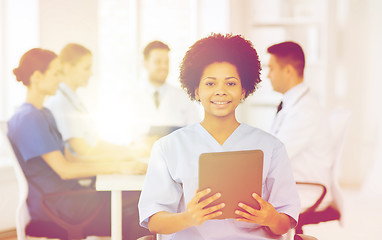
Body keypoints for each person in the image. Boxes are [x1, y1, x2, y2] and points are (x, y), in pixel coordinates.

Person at [138, 34, 300, 239]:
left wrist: (270, 218)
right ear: (196, 91)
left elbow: (284, 223)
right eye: (210, 84)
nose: (221, 91)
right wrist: (189, 217)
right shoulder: (168, 147)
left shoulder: (272, 147)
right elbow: (154, 221)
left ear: (244, 90)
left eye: (231, 84)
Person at [7, 48, 151, 240]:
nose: (60, 79)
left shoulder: (42, 113)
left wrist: (122, 166)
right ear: (36, 77)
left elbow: (71, 159)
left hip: (69, 198)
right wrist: (118, 166)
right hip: (60, 206)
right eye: (56, 73)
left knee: (140, 200)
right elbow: (64, 170)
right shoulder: (29, 118)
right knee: (142, 207)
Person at [45, 43, 149, 159]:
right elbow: (81, 148)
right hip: (82, 168)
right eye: (86, 68)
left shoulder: (72, 99)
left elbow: (94, 142)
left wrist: (128, 149)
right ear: (68, 68)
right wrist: (125, 155)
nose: (91, 73)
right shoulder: (61, 101)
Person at [267, 41, 333, 210]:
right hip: (291, 185)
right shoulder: (292, 104)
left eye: (271, 68)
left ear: (288, 71)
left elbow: (276, 157)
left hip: (305, 190)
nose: (268, 75)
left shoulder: (305, 111)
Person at [126, 41, 201, 138]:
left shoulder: (183, 96)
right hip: (139, 152)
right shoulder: (130, 97)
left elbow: (196, 132)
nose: (164, 66)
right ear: (145, 64)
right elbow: (123, 136)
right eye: (158, 62)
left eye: (166, 62)